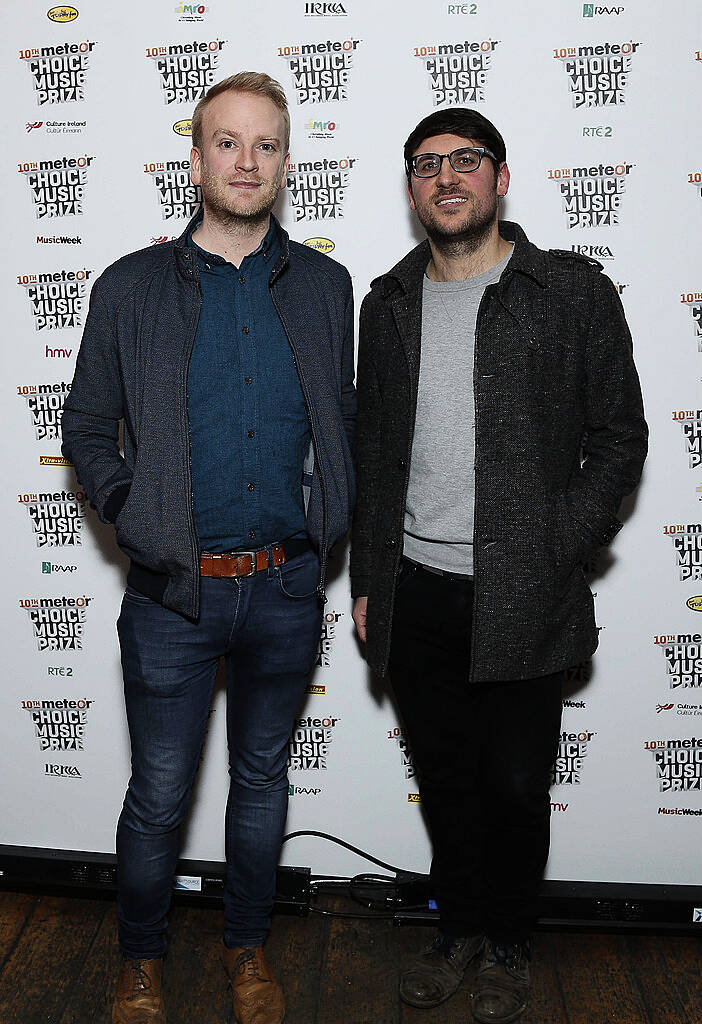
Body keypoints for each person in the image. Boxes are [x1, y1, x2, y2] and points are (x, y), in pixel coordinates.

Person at [62, 71, 355, 1024]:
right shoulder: (130, 286)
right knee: (157, 797)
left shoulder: (325, 285)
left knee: (263, 781)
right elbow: (88, 422)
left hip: (284, 586)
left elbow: (342, 419)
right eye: (227, 142)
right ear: (195, 159)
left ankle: (248, 951)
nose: (247, 161)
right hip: (169, 597)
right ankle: (141, 961)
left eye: (266, 145)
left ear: (284, 163)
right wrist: (131, 507)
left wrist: (335, 526)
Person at [350, 107, 646, 1023]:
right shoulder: (388, 302)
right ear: (411, 190)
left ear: (502, 177)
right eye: (427, 165)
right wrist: (367, 577)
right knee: (445, 781)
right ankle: (459, 929)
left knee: (517, 786)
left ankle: (510, 942)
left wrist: (561, 548)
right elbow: (375, 452)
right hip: (416, 592)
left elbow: (621, 437)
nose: (447, 178)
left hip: (526, 594)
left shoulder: (570, 293)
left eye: (466, 160)